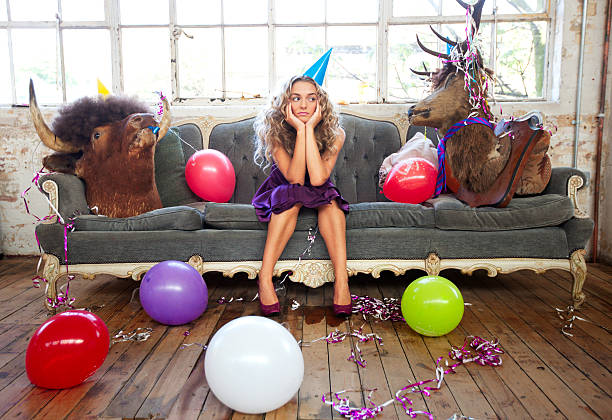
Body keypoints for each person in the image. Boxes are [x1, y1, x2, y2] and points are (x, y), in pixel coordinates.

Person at [252, 75, 352, 316]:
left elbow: (318, 179)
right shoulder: (274, 130)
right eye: (296, 98)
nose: (304, 105)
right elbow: (295, 179)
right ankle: (265, 278)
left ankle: (342, 282)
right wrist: (300, 129)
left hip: (318, 187)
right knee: (290, 199)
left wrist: (309, 129)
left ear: (321, 102)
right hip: (284, 188)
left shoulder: (336, 133)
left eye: (311, 98)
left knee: (331, 205)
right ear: (286, 102)